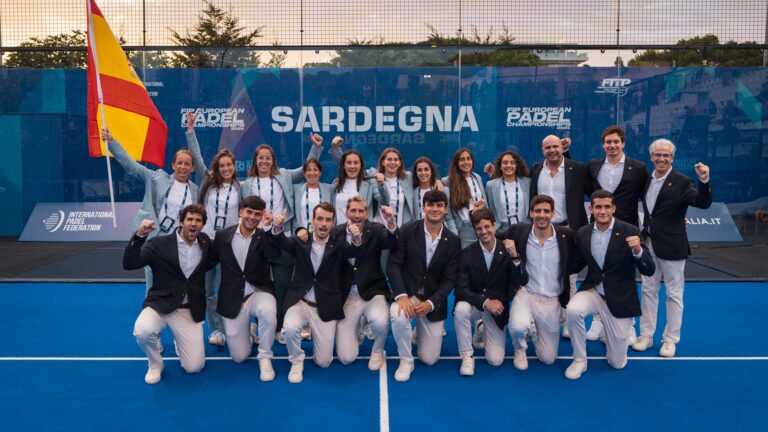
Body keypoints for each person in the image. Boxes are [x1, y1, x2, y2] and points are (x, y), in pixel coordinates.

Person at [632, 139, 712, 358]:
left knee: (674, 294)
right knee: (648, 290)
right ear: (651, 157)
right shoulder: (645, 180)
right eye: (658, 155)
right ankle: (646, 335)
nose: (662, 158)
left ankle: (670, 339)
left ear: (672, 158)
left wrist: (704, 180)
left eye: (666, 155)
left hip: (673, 246)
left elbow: (702, 202)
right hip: (648, 244)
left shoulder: (682, 182)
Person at [240, 134, 324, 338]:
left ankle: (279, 326)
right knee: (257, 282)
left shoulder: (284, 176)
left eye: (268, 158)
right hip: (256, 239)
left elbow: (306, 169)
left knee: (282, 283)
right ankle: (258, 324)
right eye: (260, 157)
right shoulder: (245, 184)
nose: (264, 161)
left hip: (281, 237)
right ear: (255, 161)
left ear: (273, 161)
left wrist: (315, 147)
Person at [564, 190, 655, 379]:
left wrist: (638, 251)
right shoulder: (583, 232)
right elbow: (575, 264)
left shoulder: (630, 231)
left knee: (617, 363)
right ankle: (580, 359)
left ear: (614, 208)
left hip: (620, 297)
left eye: (607, 206)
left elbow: (649, 269)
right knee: (573, 310)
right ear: (591, 209)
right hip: (593, 291)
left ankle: (613, 332)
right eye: (598, 207)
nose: (603, 211)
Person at [269, 203, 362, 383]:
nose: (323, 224)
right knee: (290, 328)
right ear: (312, 221)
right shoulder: (301, 240)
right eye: (320, 219)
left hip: (325, 306)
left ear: (333, 223)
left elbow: (355, 250)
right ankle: (297, 361)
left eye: (328, 220)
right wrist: (278, 227)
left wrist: (357, 238)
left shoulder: (339, 244)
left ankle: (326, 337)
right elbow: (281, 242)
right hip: (301, 302)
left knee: (323, 362)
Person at [103, 127, 206, 290]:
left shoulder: (195, 191)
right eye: (179, 163)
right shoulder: (157, 178)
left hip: (180, 243)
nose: (183, 167)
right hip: (157, 240)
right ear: (173, 165)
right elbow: (132, 167)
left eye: (187, 164)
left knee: (179, 285)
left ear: (192, 168)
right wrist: (112, 142)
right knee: (153, 286)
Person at [123, 204, 211, 384]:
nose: (193, 223)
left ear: (203, 225)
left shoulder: (205, 243)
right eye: (189, 219)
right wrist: (140, 235)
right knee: (142, 330)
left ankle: (180, 339)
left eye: (198, 220)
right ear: (181, 222)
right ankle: (155, 364)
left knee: (194, 368)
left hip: (188, 309)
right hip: (160, 304)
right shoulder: (159, 244)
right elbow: (130, 263)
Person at [388, 190, 461, 382]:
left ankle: (418, 330)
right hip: (409, 294)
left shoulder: (453, 241)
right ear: (423, 207)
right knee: (398, 314)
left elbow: (450, 280)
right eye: (430, 205)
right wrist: (402, 296)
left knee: (429, 359)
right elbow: (394, 265)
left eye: (439, 205)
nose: (435, 209)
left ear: (446, 209)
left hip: (432, 300)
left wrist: (431, 303)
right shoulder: (407, 230)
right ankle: (406, 360)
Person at [584, 125, 648, 341]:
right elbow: (581, 187)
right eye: (608, 142)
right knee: (598, 271)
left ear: (623, 143)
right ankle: (599, 320)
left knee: (625, 276)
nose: (612, 145)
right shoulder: (593, 166)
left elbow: (648, 197)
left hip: (626, 228)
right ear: (603, 145)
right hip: (599, 226)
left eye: (616, 142)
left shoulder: (638, 168)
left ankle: (629, 324)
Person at [208, 196, 279, 381]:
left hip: (259, 292)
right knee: (239, 357)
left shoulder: (264, 236)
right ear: (241, 212)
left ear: (262, 216)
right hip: (233, 297)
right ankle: (250, 333)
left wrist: (270, 229)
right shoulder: (223, 236)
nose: (252, 217)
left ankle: (265, 356)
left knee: (268, 311)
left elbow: (275, 253)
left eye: (257, 214)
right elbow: (208, 262)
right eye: (249, 212)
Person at [186, 112, 242, 347]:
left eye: (229, 165)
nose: (226, 168)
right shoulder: (207, 182)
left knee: (229, 288)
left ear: (234, 167)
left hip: (230, 246)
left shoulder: (241, 187)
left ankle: (235, 327)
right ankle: (217, 329)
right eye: (222, 166)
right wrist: (191, 130)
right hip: (207, 244)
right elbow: (197, 158)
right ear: (216, 168)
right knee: (208, 290)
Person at [502, 195, 577, 371]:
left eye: (546, 211)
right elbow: (491, 237)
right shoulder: (518, 231)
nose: (541, 215)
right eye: (537, 211)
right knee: (518, 327)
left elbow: (577, 258)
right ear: (531, 213)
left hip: (552, 300)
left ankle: (535, 330)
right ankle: (520, 348)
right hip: (526, 293)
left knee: (548, 358)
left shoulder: (566, 235)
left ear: (553, 213)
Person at [529, 135, 589, 338]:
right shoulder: (536, 170)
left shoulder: (577, 169)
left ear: (562, 148)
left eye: (555, 146)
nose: (552, 150)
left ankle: (568, 320)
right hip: (542, 230)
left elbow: (594, 191)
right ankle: (542, 318)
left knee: (569, 278)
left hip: (568, 230)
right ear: (542, 150)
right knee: (543, 274)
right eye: (547, 147)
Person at [332, 197, 398, 370]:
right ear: (346, 212)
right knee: (346, 358)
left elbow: (392, 242)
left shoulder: (376, 229)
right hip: (348, 295)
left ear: (366, 214)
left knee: (380, 322)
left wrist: (391, 223)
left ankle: (378, 350)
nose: (357, 215)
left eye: (361, 211)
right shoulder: (337, 232)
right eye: (353, 210)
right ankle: (358, 323)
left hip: (373, 291)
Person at [454, 208, 513, 375]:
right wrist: (486, 302)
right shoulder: (466, 254)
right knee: (460, 309)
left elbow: (519, 281)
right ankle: (467, 356)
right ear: (474, 230)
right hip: (475, 304)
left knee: (495, 360)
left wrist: (515, 257)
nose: (483, 231)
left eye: (487, 226)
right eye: (478, 228)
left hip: (496, 309)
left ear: (494, 225)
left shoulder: (507, 249)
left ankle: (481, 327)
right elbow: (460, 290)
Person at [328, 137, 389, 224]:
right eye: (349, 163)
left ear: (361, 166)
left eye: (356, 163)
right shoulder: (336, 183)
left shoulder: (369, 183)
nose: (352, 166)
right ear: (343, 165)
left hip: (363, 231)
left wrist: (382, 185)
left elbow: (384, 202)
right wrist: (335, 148)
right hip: (339, 231)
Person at [444, 148, 487, 249]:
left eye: (468, 159)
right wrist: (454, 235)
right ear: (456, 163)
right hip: (463, 229)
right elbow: (448, 215)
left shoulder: (477, 177)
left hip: (481, 226)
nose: (466, 162)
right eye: (462, 159)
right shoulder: (447, 181)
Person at [486, 151, 531, 233]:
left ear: (517, 166)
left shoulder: (528, 182)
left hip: (523, 228)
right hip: (500, 230)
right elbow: (490, 208)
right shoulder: (491, 185)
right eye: (505, 163)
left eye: (512, 163)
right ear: (500, 166)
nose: (509, 165)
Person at [292, 158, 334, 232]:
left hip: (323, 233)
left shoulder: (329, 189)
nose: (312, 173)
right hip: (301, 234)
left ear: (320, 173)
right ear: (304, 173)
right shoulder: (296, 189)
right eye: (308, 170)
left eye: (315, 169)